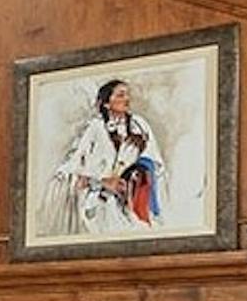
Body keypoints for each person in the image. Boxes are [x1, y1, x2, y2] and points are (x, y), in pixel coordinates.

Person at [38, 77, 166, 238]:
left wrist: (132, 177)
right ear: (106, 103)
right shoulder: (94, 128)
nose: (126, 99)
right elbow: (72, 167)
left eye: (127, 95)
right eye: (120, 95)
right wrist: (102, 181)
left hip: (132, 203)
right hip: (98, 205)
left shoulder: (139, 125)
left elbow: (154, 162)